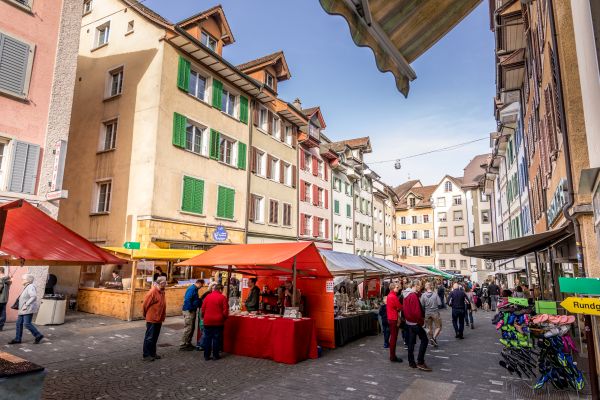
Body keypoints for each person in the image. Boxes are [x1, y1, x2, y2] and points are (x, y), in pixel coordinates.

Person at [403, 280, 431, 371]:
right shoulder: (413, 296)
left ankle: (411, 362)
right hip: (415, 323)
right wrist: (422, 323)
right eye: (419, 286)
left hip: (409, 322)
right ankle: (420, 362)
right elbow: (417, 313)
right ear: (415, 285)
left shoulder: (406, 295)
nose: (420, 287)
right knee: (424, 340)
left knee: (411, 342)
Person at [9, 274, 44, 344]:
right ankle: (17, 339)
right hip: (23, 309)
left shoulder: (30, 286)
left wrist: (26, 304)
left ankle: (38, 335)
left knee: (27, 323)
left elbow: (33, 296)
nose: (22, 280)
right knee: (18, 323)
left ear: (28, 280)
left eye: (23, 279)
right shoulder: (27, 286)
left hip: (27, 308)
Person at [201, 283, 228, 361]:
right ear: (220, 289)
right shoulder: (223, 298)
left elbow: (203, 309)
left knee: (207, 338)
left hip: (207, 321)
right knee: (216, 338)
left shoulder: (207, 297)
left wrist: (203, 317)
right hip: (218, 321)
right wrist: (225, 318)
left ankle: (206, 356)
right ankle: (215, 355)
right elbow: (225, 310)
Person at [142, 276, 167, 361]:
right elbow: (145, 305)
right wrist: (146, 315)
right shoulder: (152, 292)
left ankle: (152, 353)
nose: (165, 285)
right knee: (149, 337)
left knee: (155, 337)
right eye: (163, 283)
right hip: (152, 318)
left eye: (165, 283)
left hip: (159, 318)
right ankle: (146, 355)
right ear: (158, 283)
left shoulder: (162, 292)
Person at [180, 279, 204, 351]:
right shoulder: (192, 289)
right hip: (189, 311)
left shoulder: (194, 289)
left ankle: (188, 343)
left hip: (191, 310)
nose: (202, 286)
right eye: (202, 285)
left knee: (191, 327)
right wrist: (190, 308)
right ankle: (183, 345)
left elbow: (194, 299)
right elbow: (187, 299)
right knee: (188, 328)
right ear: (199, 283)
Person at [420, 282, 442, 347]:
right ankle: (434, 338)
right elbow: (439, 303)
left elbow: (422, 304)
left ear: (426, 287)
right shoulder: (435, 294)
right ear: (431, 286)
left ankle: (431, 340)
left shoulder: (423, 295)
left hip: (427, 313)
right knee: (438, 327)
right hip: (435, 312)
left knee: (429, 327)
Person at [386, 282, 403, 363]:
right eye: (397, 287)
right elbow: (399, 306)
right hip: (393, 318)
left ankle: (392, 355)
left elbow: (397, 307)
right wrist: (398, 309)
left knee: (393, 337)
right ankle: (392, 356)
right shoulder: (393, 296)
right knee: (393, 338)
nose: (398, 288)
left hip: (391, 318)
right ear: (393, 288)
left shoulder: (390, 295)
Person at [0, 267, 11, 331]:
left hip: (0, 298)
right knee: (3, 312)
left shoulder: (1, 280)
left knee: (2, 313)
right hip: (5, 298)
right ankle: (1, 326)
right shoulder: (8, 279)